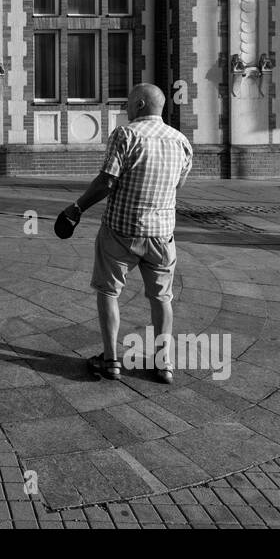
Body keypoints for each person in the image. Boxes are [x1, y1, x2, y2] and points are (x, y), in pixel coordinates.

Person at [60, 84, 192, 383]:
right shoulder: (182, 141)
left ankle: (111, 361)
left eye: (129, 104)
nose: (126, 109)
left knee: (108, 292)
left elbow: (107, 181)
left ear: (141, 104)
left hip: (121, 231)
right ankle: (164, 364)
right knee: (162, 298)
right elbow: (177, 186)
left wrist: (76, 208)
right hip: (162, 235)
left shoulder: (126, 134)